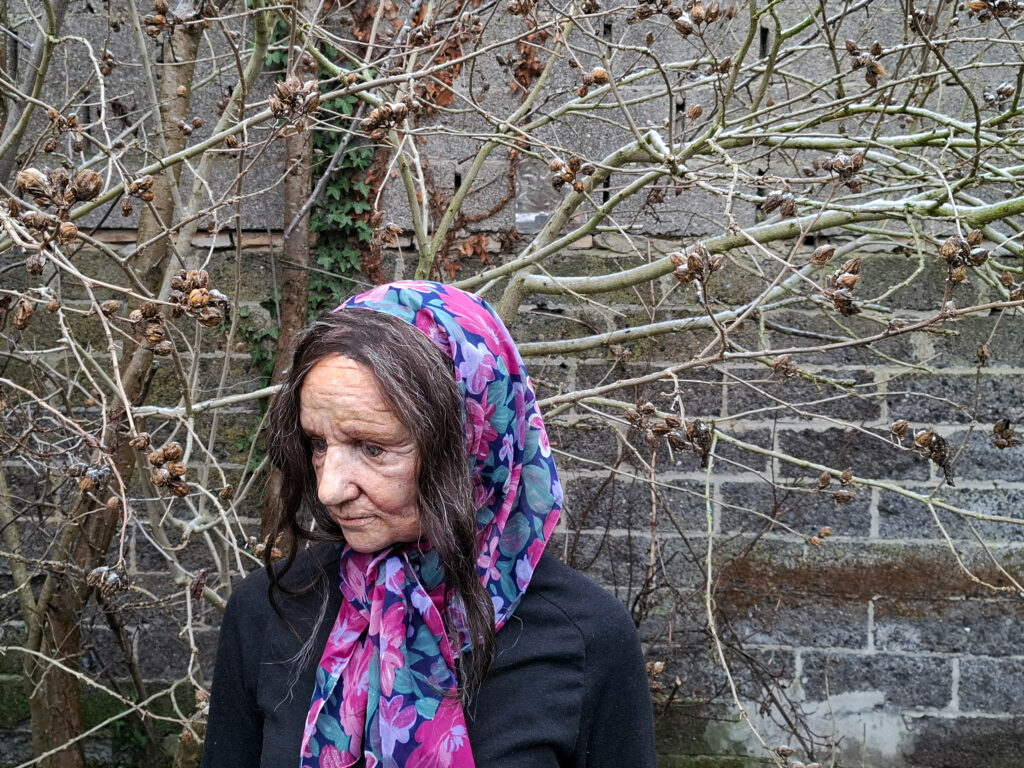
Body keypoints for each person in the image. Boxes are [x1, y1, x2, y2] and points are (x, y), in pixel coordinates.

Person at [200, 281, 656, 768]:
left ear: (473, 442)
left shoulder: (584, 636)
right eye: (317, 443)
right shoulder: (270, 609)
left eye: (372, 448)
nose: (330, 489)